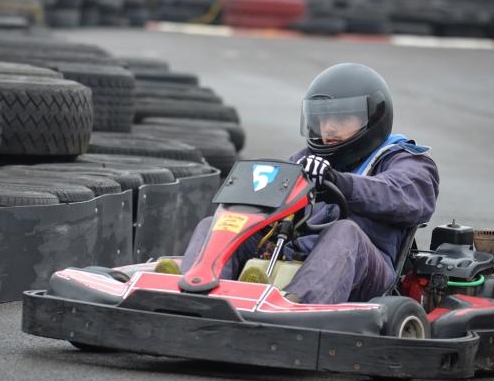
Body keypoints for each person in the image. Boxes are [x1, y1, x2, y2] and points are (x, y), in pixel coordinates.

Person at [165, 63, 439, 305]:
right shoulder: (306, 160)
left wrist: (339, 182)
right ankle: (198, 293)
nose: (329, 128)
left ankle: (293, 307)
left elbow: (404, 198)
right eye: (323, 119)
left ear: (373, 119)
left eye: (341, 119)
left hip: (363, 274)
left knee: (346, 231)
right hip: (292, 255)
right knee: (218, 224)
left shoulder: (407, 161)